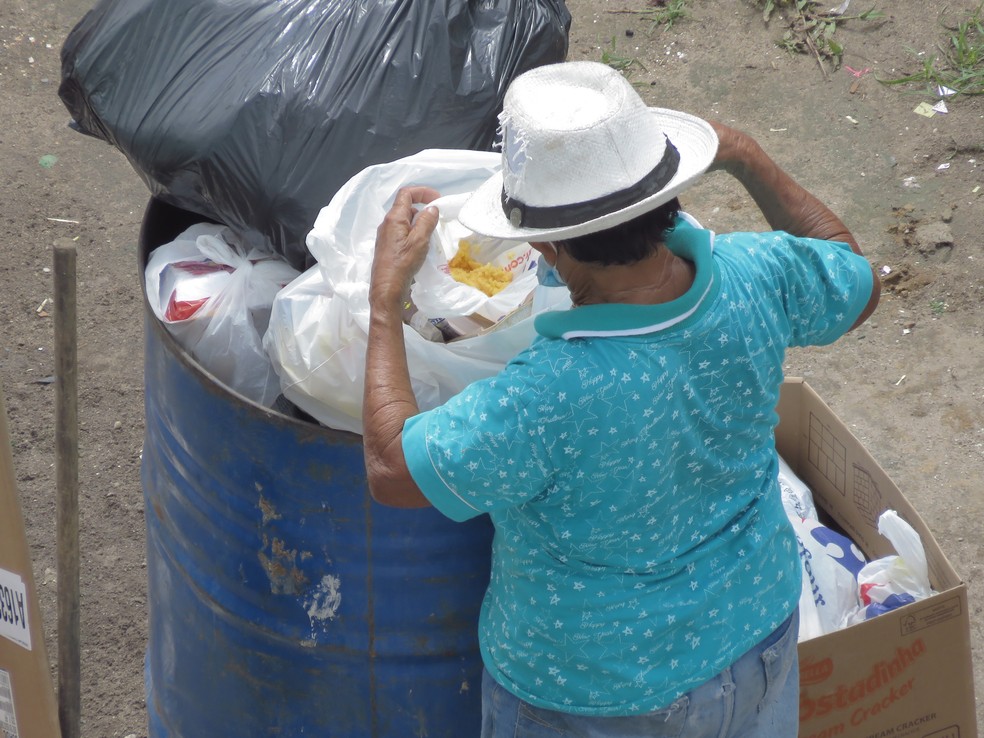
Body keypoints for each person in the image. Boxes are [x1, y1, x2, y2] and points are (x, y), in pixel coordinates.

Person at [361, 61, 879, 738]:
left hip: (594, 695)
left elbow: (392, 471)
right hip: (757, 639)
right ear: (667, 194)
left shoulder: (546, 394)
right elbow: (854, 276)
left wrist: (381, 303)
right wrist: (747, 155)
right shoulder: (757, 274)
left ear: (542, 243)